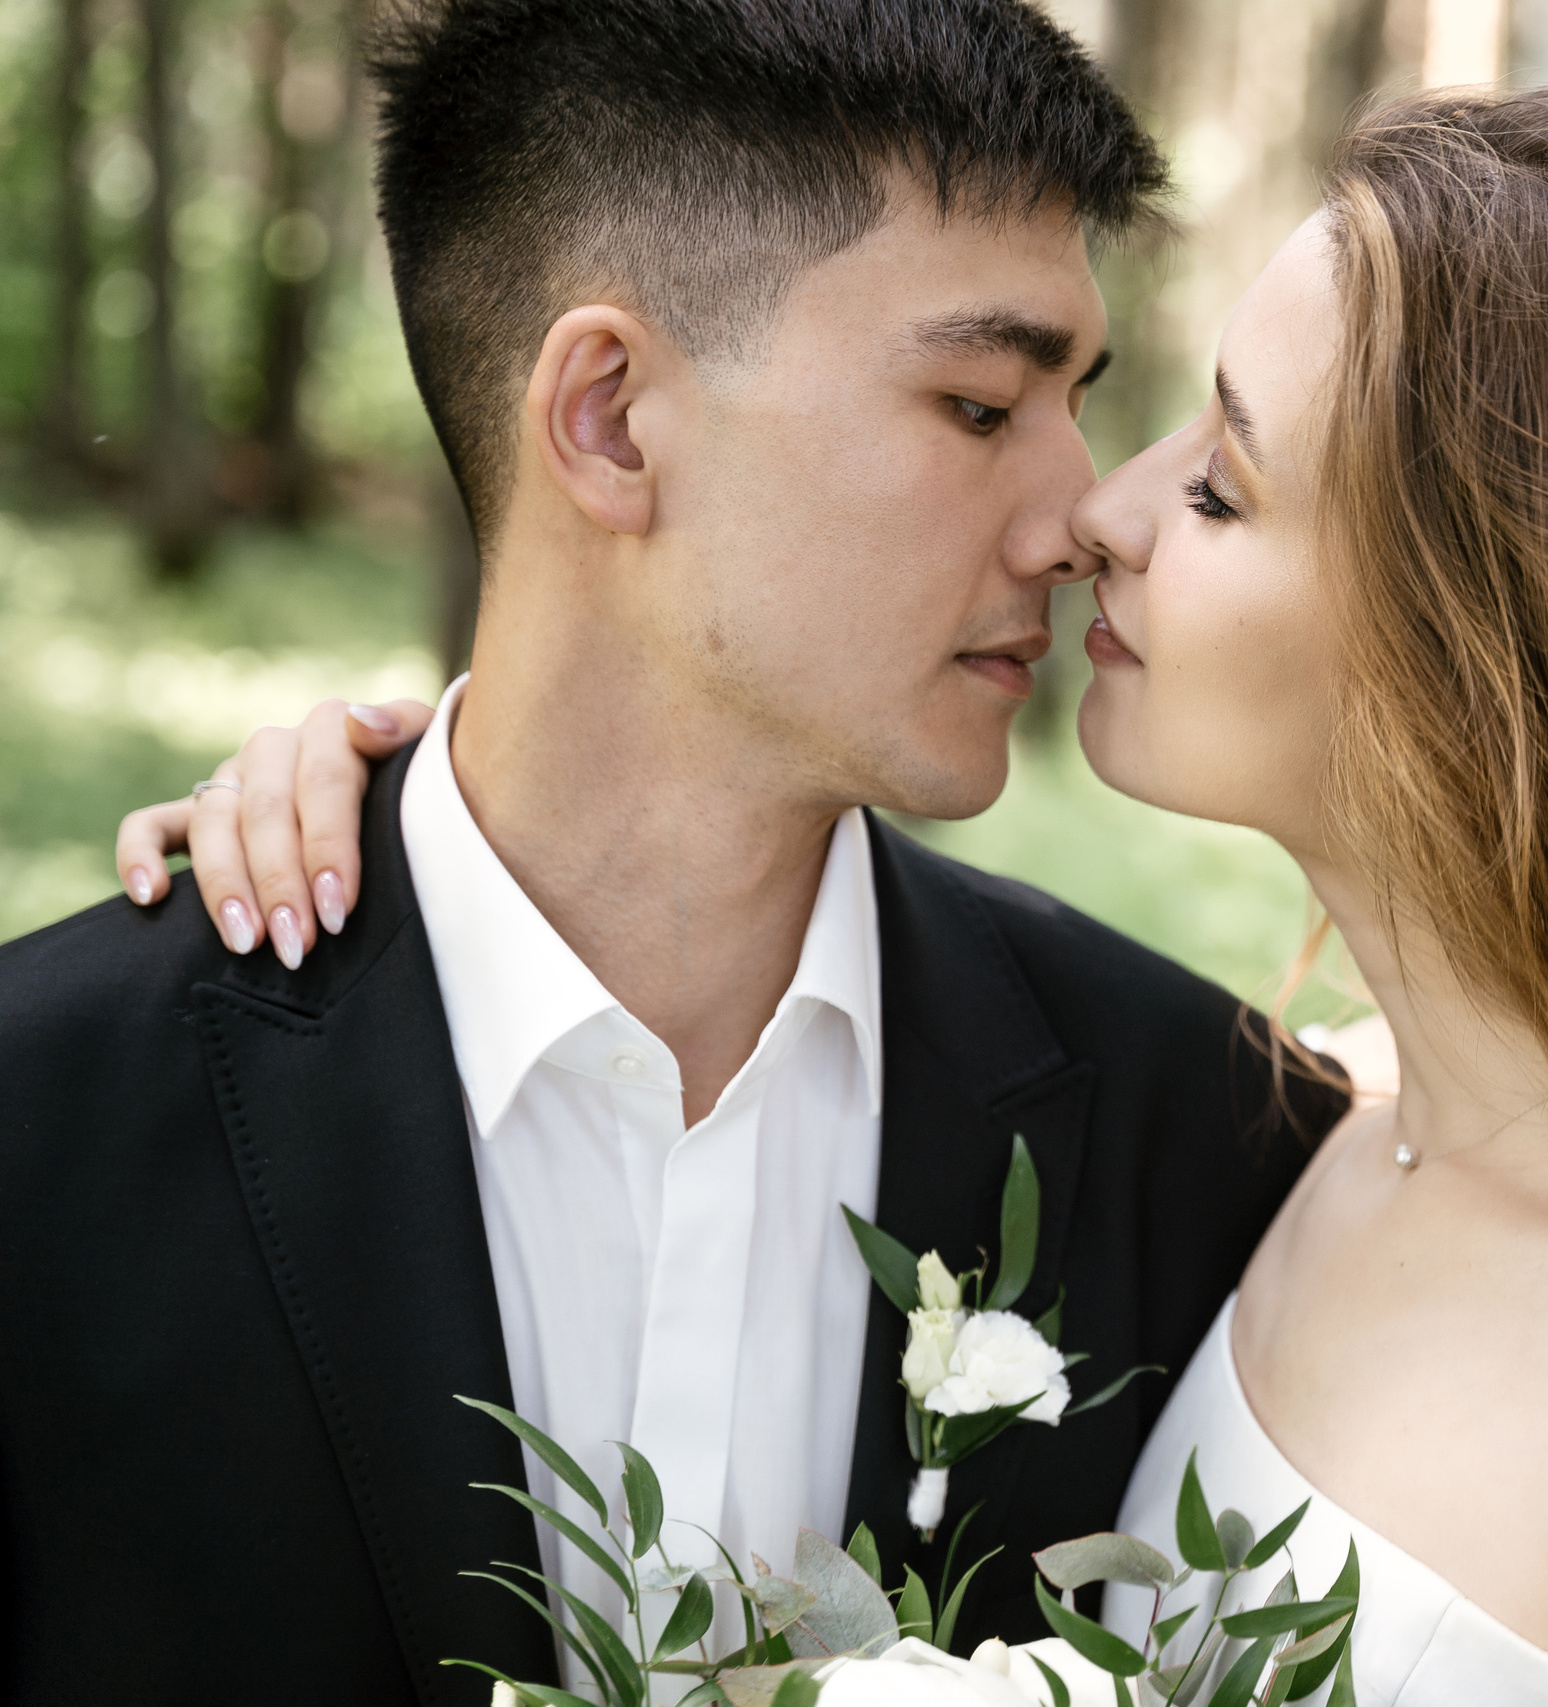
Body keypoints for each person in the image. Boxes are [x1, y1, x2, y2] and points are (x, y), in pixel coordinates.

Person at [123, 88, 1548, 1707]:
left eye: (1223, 484)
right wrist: (426, 817)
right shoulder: (1320, 1133)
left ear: (1486, 651)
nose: (1099, 515)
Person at [0, 3, 1341, 1703]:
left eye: (1078, 399)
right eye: (982, 403)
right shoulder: (43, 1130)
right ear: (613, 419)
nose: (1081, 514)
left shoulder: (1210, 1140)